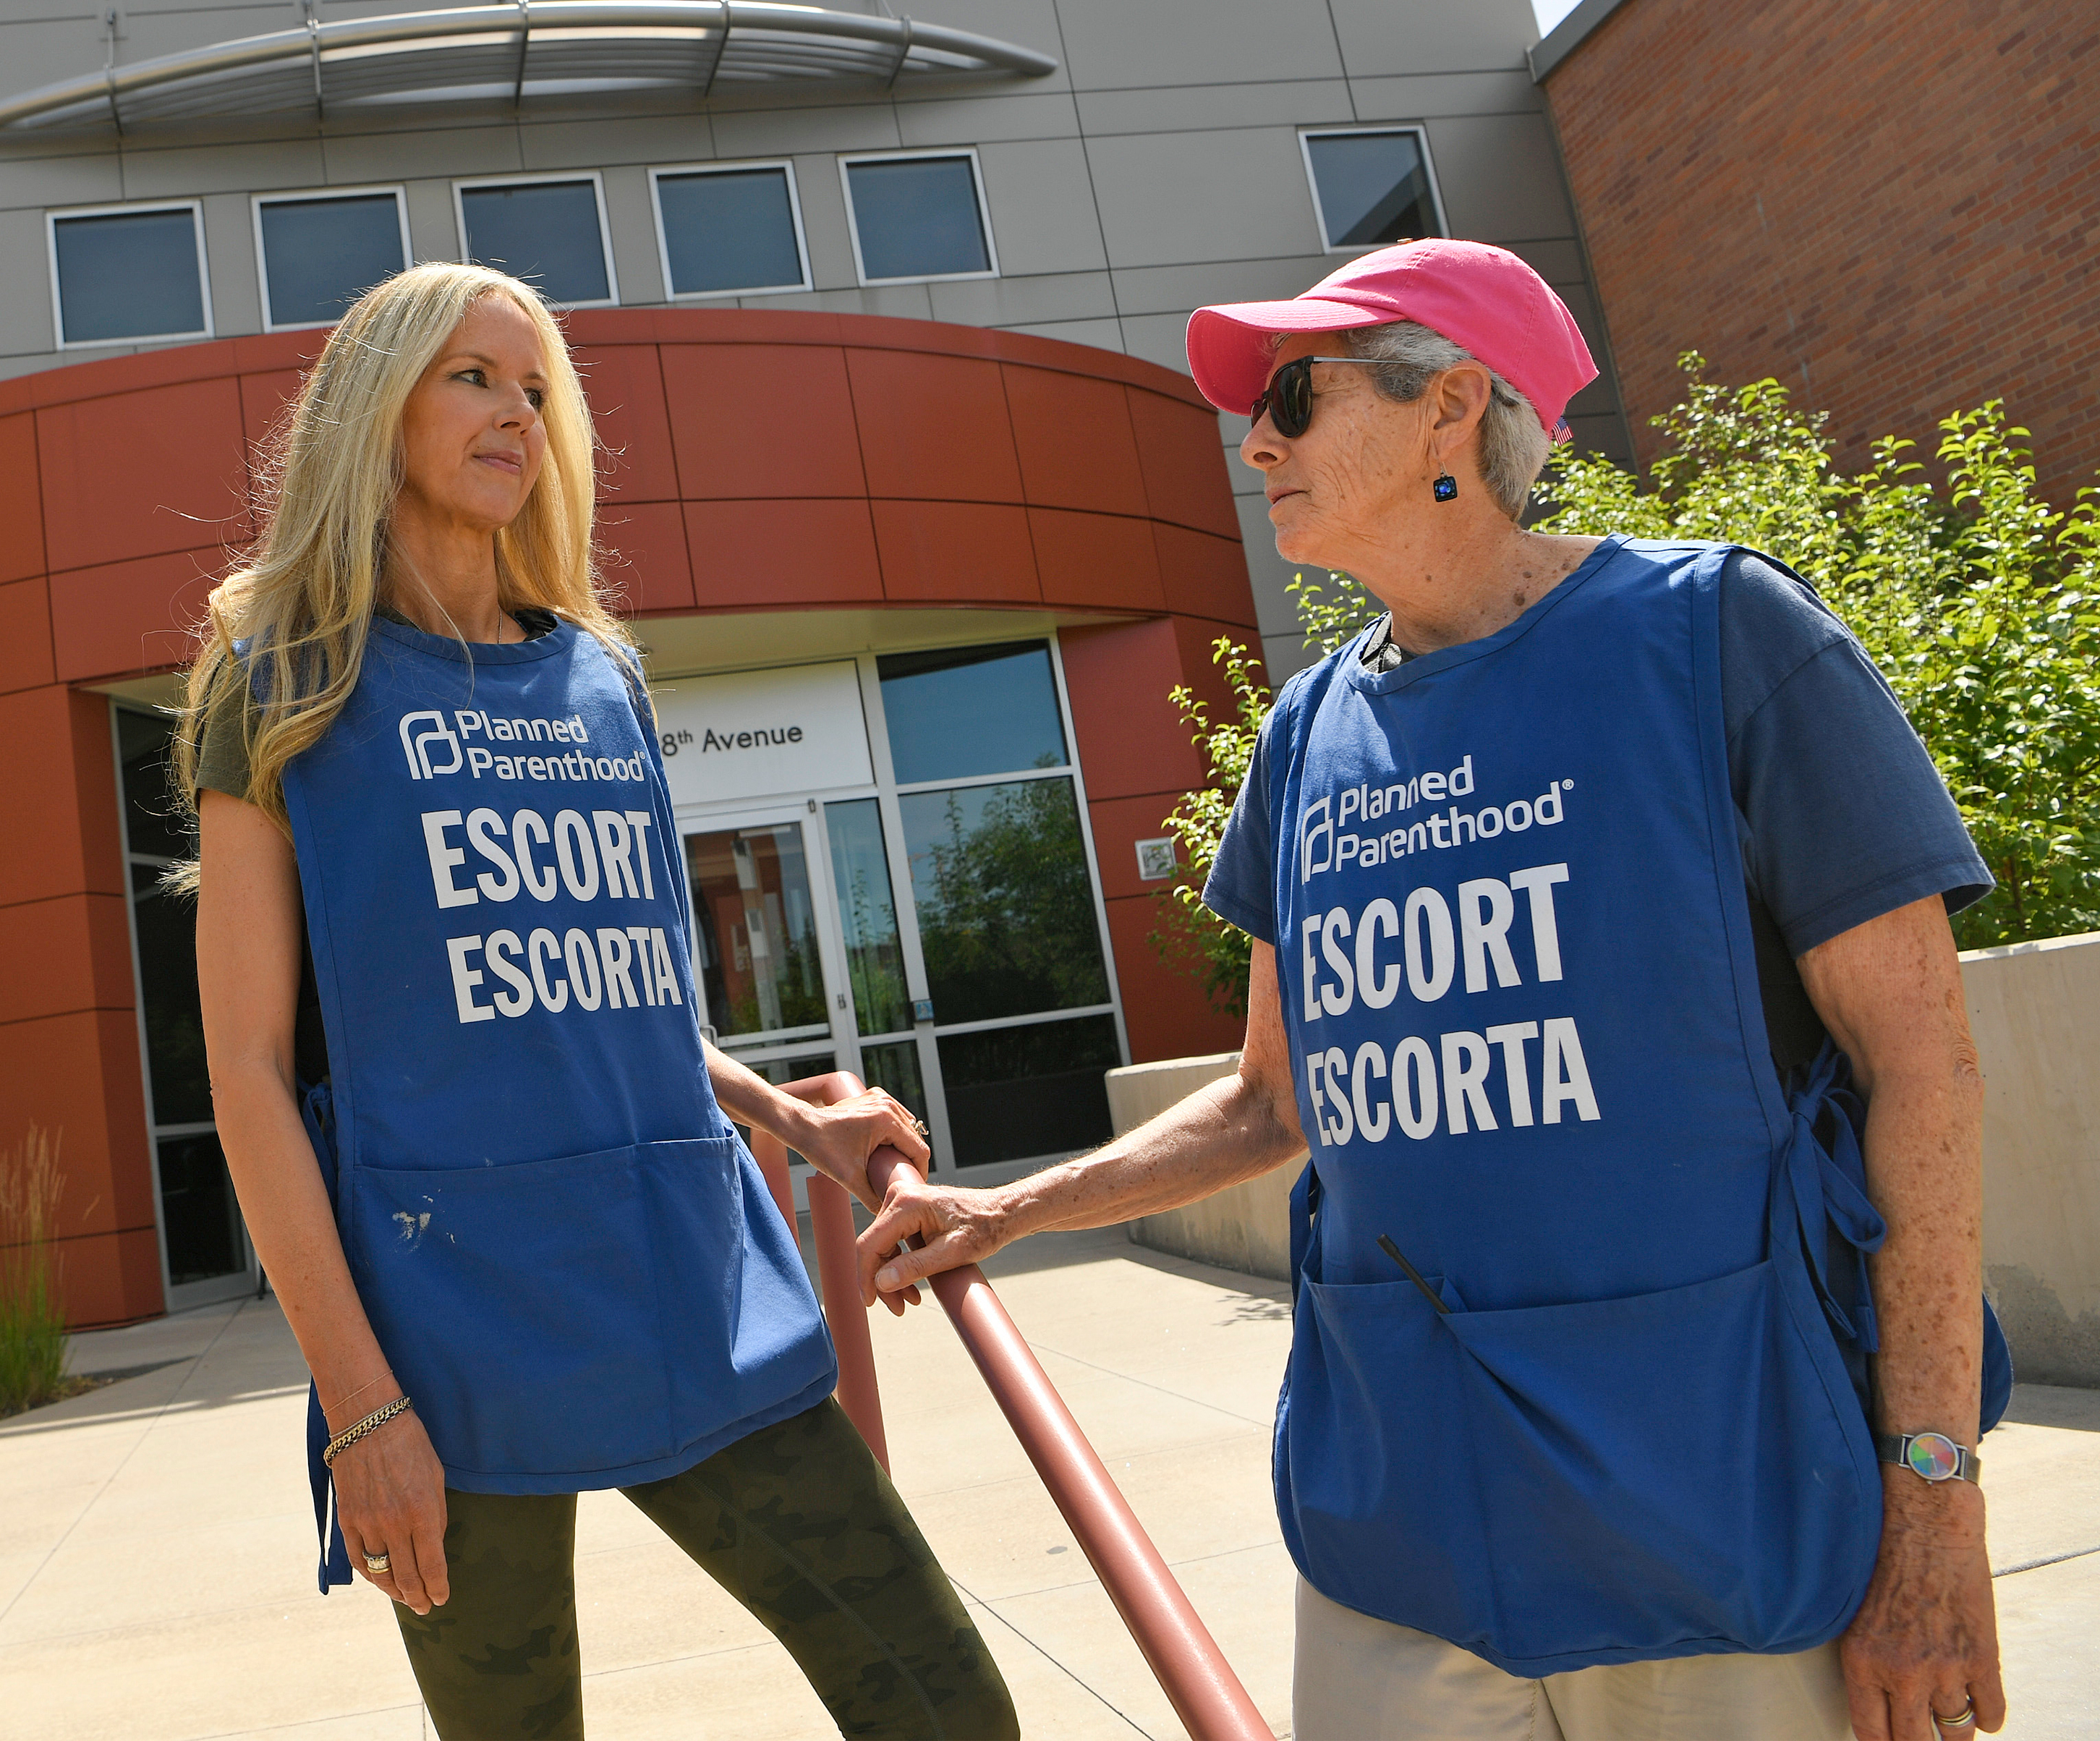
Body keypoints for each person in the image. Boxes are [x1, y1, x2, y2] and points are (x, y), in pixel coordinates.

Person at [857, 240, 2010, 1740]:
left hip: (1720, 1501)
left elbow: (1923, 1068)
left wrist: (1932, 1495)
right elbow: (1276, 1096)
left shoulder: (1723, 640)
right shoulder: (1303, 732)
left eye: (1292, 394)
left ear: (1450, 404)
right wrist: (1011, 1209)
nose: (1255, 438)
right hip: (1404, 1515)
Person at [177, 263, 1016, 1740]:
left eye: (539, 387)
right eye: (475, 377)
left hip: (684, 1270)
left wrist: (787, 1116)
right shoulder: (284, 674)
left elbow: (625, 998)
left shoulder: (602, 676)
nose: (520, 412)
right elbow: (245, 1068)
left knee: (946, 1705)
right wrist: (361, 1403)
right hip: (449, 1325)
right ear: (377, 409)